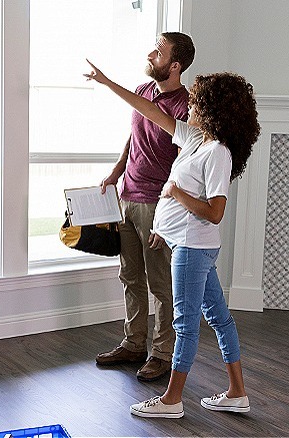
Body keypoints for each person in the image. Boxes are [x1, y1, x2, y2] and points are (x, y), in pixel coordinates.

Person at [84, 60, 260, 418]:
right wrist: (107, 83)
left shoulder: (218, 153)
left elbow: (214, 211)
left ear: (212, 110)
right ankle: (237, 392)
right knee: (220, 319)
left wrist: (175, 194)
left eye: (196, 103)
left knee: (185, 322)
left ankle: (171, 400)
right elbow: (148, 110)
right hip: (187, 243)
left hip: (195, 248)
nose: (189, 107)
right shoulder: (195, 139)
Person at [94, 32, 196, 383]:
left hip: (157, 206)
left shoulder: (186, 107)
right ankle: (133, 343)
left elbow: (184, 167)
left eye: (159, 51)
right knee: (130, 276)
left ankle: (162, 353)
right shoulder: (142, 91)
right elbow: (133, 137)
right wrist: (115, 172)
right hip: (127, 197)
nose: (151, 54)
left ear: (175, 65)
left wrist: (166, 218)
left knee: (161, 284)